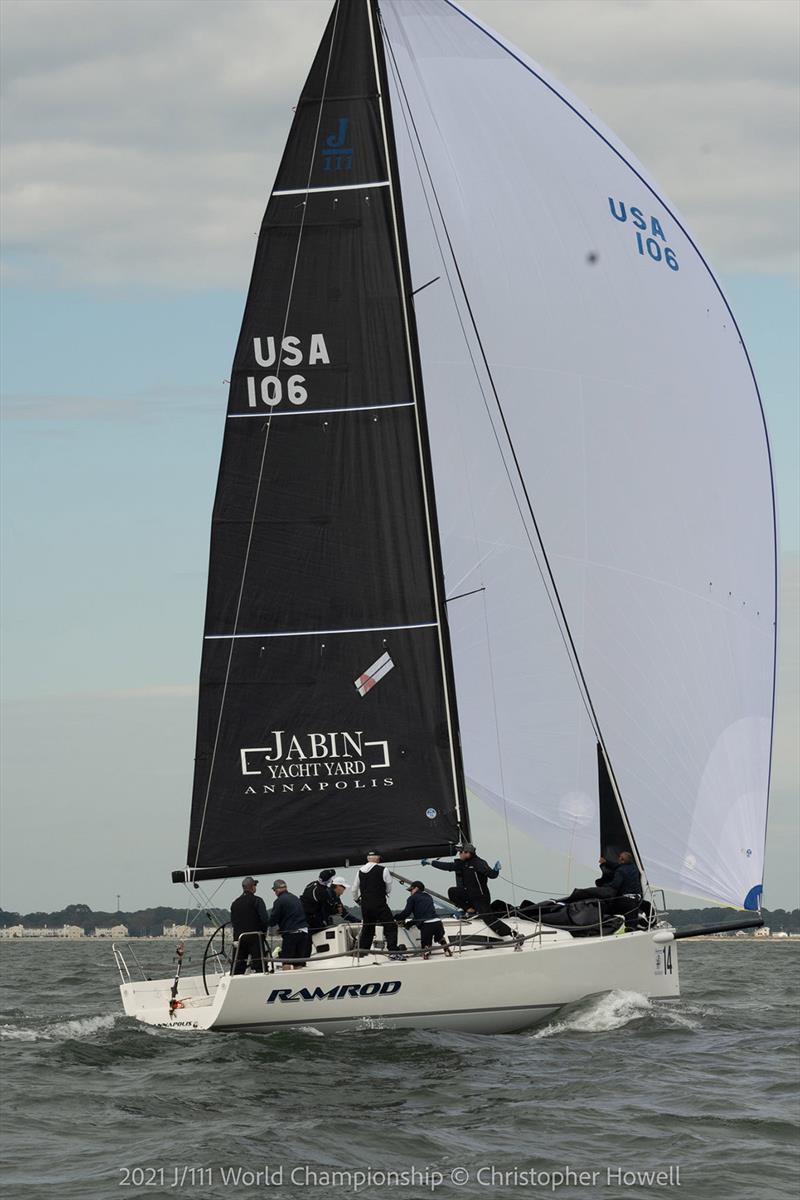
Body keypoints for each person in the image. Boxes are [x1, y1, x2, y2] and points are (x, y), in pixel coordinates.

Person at [423, 843, 515, 938]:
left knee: (488, 918)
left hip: (481, 897)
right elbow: (448, 866)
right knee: (452, 891)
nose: (459, 854)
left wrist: (496, 870)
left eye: (461, 852)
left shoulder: (478, 863)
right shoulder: (462, 863)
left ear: (468, 853)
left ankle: (512, 933)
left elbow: (491, 875)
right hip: (469, 895)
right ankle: (469, 909)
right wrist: (431, 863)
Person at [352, 850, 404, 960]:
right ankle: (393, 951)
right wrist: (384, 892)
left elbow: (354, 888)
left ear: (368, 858)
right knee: (390, 925)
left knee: (368, 927)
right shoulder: (383, 869)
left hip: (365, 905)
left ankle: (362, 952)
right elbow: (388, 887)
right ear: (378, 858)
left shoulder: (359, 871)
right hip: (379, 903)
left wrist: (357, 900)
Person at [560, 851, 642, 905]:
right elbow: (617, 866)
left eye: (621, 858)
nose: (619, 859)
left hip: (626, 898)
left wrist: (604, 885)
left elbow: (615, 885)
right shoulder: (633, 867)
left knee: (588, 892)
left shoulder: (621, 871)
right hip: (637, 897)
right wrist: (606, 862)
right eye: (619, 857)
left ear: (623, 861)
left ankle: (567, 901)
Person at [396, 881, 452, 960]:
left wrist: (397, 918)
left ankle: (426, 951)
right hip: (437, 922)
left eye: (411, 890)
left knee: (426, 944)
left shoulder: (412, 898)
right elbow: (421, 915)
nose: (410, 892)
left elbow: (406, 912)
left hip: (426, 925)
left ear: (416, 888)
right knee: (440, 937)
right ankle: (445, 948)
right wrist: (409, 924)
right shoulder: (428, 897)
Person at [230, 876, 270, 974]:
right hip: (254, 937)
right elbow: (264, 919)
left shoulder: (235, 903)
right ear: (252, 887)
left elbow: (233, 921)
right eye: (255, 885)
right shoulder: (257, 900)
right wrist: (264, 933)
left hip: (239, 938)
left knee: (237, 966)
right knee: (260, 966)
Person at [265, 880, 309, 970]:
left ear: (277, 890)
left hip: (291, 934)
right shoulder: (295, 898)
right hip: (304, 932)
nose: (274, 892)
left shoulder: (279, 901)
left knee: (286, 961)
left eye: (274, 890)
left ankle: (287, 982)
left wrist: (266, 923)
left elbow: (273, 919)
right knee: (299, 962)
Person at [301, 868, 339, 943]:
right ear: (328, 880)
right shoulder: (322, 892)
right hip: (312, 918)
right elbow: (327, 909)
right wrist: (335, 910)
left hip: (303, 917)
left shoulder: (311, 884)